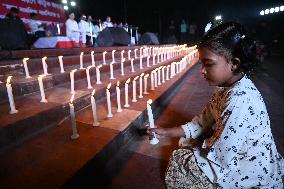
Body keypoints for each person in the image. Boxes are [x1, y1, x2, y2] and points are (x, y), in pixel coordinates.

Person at [147, 22, 284, 188]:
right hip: (229, 154)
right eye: (201, 64)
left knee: (180, 159)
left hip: (248, 169)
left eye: (209, 64)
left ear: (234, 63)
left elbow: (222, 155)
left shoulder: (241, 99)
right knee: (187, 144)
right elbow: (202, 122)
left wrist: (196, 144)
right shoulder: (224, 88)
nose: (202, 70)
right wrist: (165, 132)